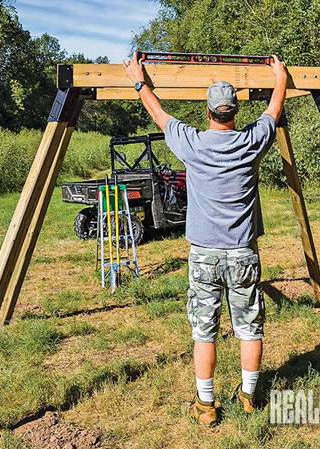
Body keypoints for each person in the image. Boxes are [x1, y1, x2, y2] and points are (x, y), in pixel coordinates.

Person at [122, 52, 288, 426]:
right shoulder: (251, 142)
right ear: (233, 113)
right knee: (249, 327)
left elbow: (158, 114)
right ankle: (248, 396)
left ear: (210, 112)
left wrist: (138, 80)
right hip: (243, 252)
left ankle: (206, 405)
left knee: (204, 330)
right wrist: (280, 77)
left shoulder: (192, 143)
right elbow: (274, 111)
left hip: (204, 256)